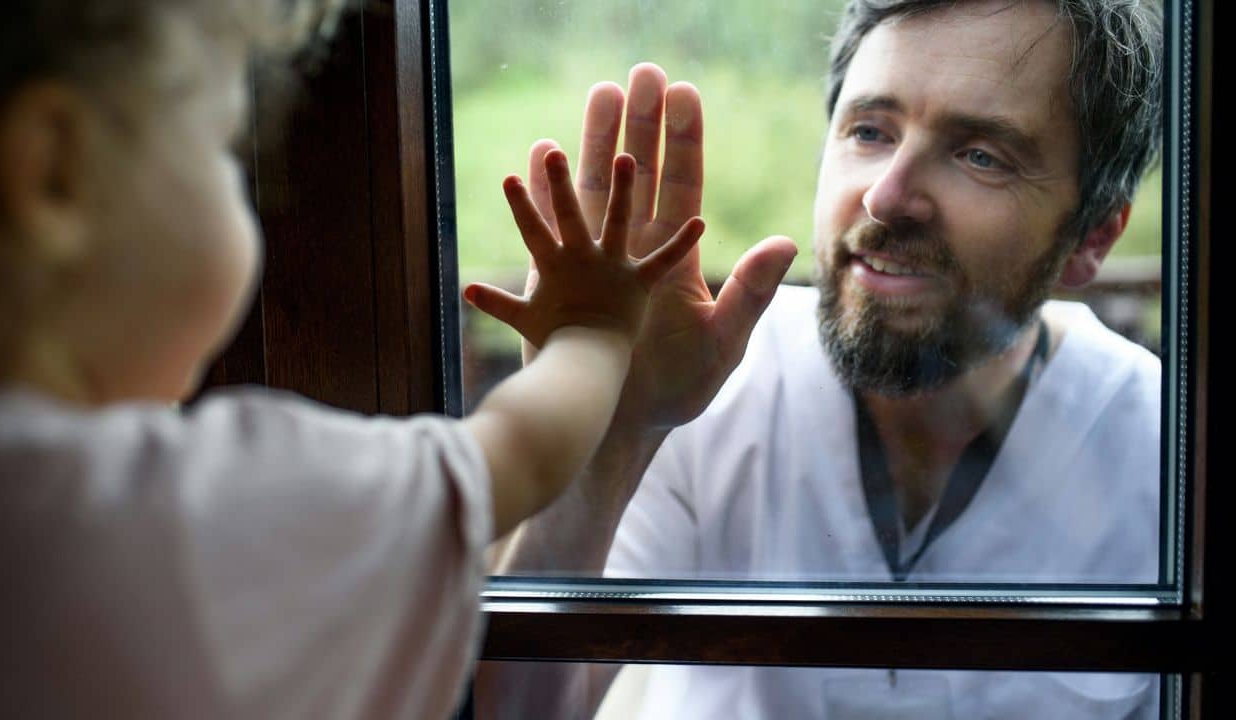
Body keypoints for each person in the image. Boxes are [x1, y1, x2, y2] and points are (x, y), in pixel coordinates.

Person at [0, 1, 706, 718]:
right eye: (222, 145)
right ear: (56, 169)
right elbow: (520, 452)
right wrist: (593, 329)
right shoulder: (197, 509)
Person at [471, 0, 1163, 717]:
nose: (887, 196)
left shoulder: (1164, 454)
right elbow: (516, 711)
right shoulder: (706, 391)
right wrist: (614, 434)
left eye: (980, 155)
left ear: (1093, 237)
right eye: (870, 131)